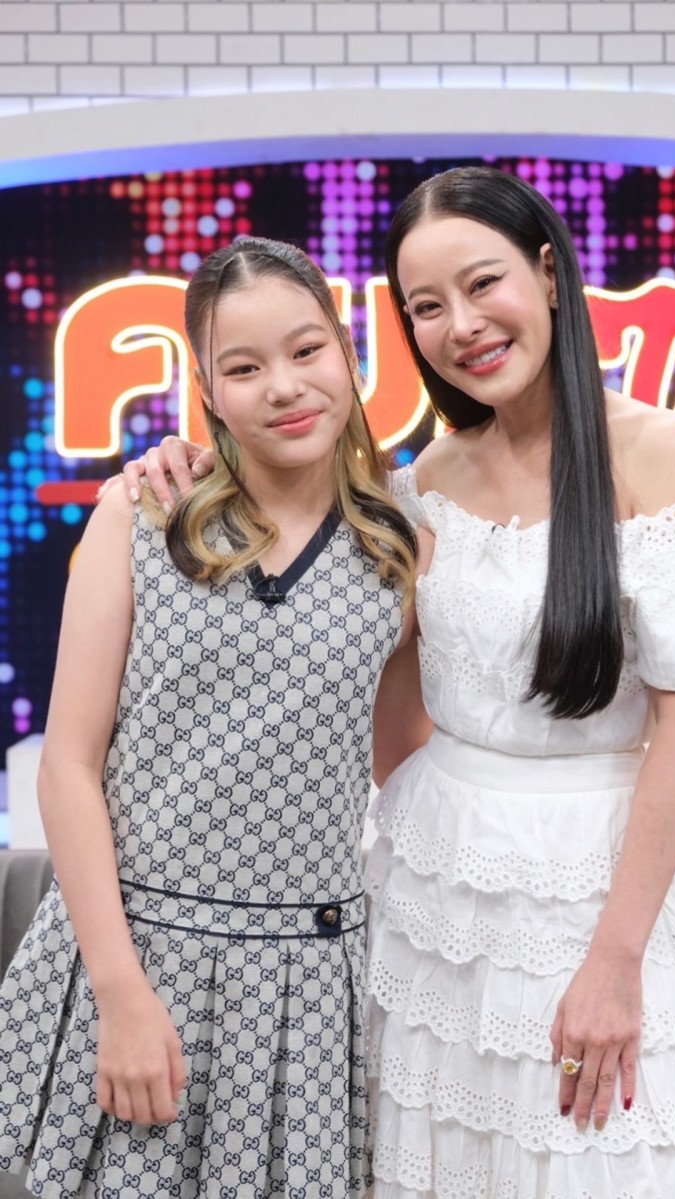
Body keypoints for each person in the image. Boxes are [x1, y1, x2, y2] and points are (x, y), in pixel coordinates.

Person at [119, 168, 675, 1199]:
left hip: (585, 892)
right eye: (425, 305)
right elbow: (389, 692)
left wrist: (613, 961)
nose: (461, 325)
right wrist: (185, 459)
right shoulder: (422, 479)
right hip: (426, 887)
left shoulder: (658, 451)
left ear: (547, 273)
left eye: (481, 283)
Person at [0, 236, 420, 1199]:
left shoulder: (401, 545)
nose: (285, 385)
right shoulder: (142, 514)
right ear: (208, 393)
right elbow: (68, 765)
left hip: (308, 979)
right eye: (244, 366)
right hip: (139, 956)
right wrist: (120, 990)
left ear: (348, 354)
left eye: (307, 349)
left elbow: (406, 764)